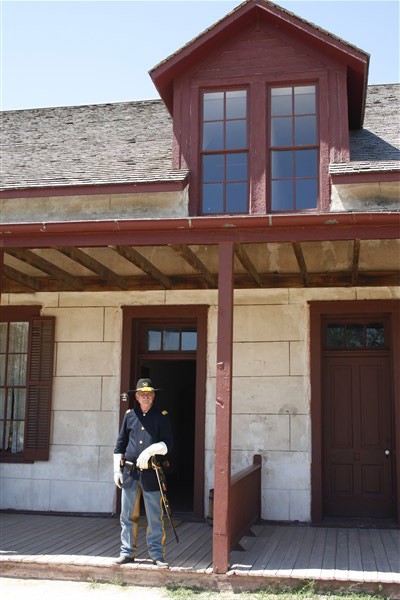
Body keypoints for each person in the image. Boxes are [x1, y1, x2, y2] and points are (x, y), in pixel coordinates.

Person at [113, 378, 173, 567]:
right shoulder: (129, 416)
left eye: (148, 393)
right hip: (130, 473)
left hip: (151, 473)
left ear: (153, 396)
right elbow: (120, 444)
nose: (145, 396)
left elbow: (168, 444)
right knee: (127, 515)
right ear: (136, 397)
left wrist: (150, 451)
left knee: (154, 516)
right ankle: (127, 552)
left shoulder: (161, 416)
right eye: (142, 393)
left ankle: (157, 554)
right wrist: (116, 470)